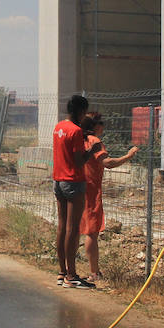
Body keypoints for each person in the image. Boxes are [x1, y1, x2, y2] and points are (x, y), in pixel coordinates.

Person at [79, 113, 138, 282]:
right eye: (102, 123)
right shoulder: (94, 142)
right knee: (91, 232)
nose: (104, 126)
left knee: (76, 228)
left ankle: (70, 270)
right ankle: (94, 272)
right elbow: (108, 163)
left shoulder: (79, 140)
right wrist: (128, 156)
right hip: (91, 190)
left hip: (77, 186)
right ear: (95, 126)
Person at [52, 94, 102, 288]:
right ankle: (72, 276)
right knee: (73, 229)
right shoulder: (75, 131)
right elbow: (79, 160)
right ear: (81, 112)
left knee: (62, 227)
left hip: (58, 180)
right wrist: (93, 149)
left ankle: (62, 272)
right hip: (74, 181)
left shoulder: (59, 128)